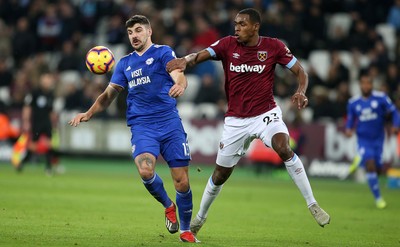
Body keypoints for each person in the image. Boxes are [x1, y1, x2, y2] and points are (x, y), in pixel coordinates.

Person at [166, 8, 330, 236]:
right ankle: (200, 218)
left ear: (255, 27)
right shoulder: (227, 45)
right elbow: (201, 54)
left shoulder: (274, 47)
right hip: (236, 121)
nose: (237, 27)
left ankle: (312, 204)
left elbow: (301, 72)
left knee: (283, 147)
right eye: (236, 23)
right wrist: (185, 60)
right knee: (220, 175)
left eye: (242, 24)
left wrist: (301, 91)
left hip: (266, 115)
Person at [69, 15, 199, 243]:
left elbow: (179, 74)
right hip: (142, 126)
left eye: (138, 30)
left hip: (170, 124)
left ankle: (186, 230)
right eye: (130, 33)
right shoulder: (125, 64)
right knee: (146, 171)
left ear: (149, 32)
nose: (134, 36)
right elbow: (108, 95)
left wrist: (179, 84)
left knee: (182, 182)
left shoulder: (163, 52)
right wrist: (88, 113)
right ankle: (168, 206)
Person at [345, 74, 399, 209]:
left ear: (372, 84)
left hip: (379, 139)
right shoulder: (353, 102)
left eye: (368, 83)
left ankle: (360, 159)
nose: (366, 86)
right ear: (360, 85)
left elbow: (395, 113)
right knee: (370, 165)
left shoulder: (381, 98)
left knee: (378, 169)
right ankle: (378, 199)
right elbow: (350, 119)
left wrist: (395, 125)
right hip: (363, 140)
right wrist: (348, 129)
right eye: (363, 83)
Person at [20, 72, 59, 175]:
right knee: (33, 146)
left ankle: (48, 168)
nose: (47, 82)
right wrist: (26, 121)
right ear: (41, 80)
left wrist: (53, 123)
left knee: (49, 145)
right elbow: (27, 107)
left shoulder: (51, 94)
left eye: (49, 79)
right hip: (36, 122)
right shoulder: (35, 92)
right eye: (45, 79)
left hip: (46, 122)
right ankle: (22, 162)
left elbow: (51, 111)